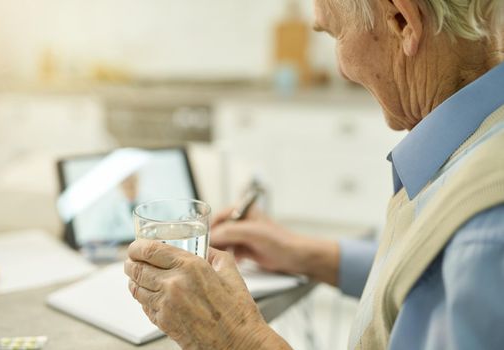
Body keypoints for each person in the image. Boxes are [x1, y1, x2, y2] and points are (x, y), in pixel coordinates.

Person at [125, 0, 504, 349]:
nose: (341, 67)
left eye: (336, 34)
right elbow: (427, 273)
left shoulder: (483, 240)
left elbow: (462, 259)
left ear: (402, 20)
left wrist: (235, 335)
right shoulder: (479, 146)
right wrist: (305, 253)